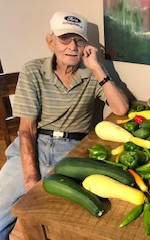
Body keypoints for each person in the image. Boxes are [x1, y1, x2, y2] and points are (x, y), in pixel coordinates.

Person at [0, 11, 129, 239]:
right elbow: (26, 130)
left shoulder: (91, 73)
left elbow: (121, 109)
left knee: (67, 221)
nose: (72, 46)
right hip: (34, 144)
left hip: (72, 150)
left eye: (78, 40)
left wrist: (97, 68)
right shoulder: (33, 70)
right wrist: (31, 182)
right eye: (64, 39)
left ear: (86, 45)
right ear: (51, 42)